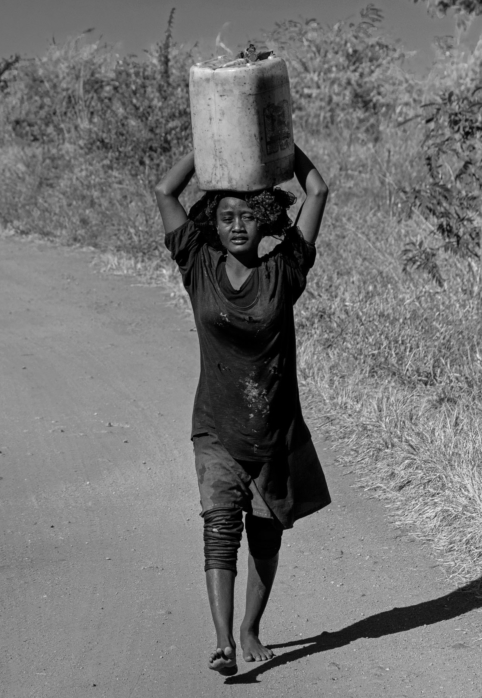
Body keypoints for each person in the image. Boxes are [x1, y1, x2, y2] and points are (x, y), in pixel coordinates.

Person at [154, 145, 330, 677]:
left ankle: (251, 627)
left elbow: (317, 190)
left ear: (266, 221)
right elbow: (165, 191)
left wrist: (275, 141)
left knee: (266, 536)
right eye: (227, 216)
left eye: (248, 216)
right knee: (220, 525)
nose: (236, 226)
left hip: (274, 430)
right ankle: (224, 641)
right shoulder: (197, 264)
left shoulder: (285, 271)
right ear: (212, 221)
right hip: (216, 425)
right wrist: (211, 139)